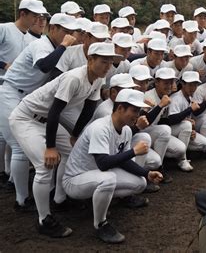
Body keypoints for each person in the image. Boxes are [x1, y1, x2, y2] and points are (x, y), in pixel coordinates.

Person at [8, 42, 119, 238]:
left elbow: (88, 109)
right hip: (26, 118)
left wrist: (75, 135)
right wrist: (50, 147)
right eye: (103, 61)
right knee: (45, 165)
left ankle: (59, 198)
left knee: (71, 151)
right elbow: (54, 112)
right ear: (90, 59)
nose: (107, 66)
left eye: (110, 62)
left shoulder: (97, 79)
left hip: (45, 120)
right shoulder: (74, 77)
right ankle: (44, 220)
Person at [63, 89, 162, 243]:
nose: (138, 115)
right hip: (75, 180)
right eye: (134, 110)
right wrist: (134, 152)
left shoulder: (127, 130)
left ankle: (97, 200)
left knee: (141, 183)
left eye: (139, 111)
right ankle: (101, 224)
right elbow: (103, 164)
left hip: (95, 175)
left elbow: (122, 160)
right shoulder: (100, 127)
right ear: (120, 108)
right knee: (108, 179)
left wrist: (146, 173)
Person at [0, 13, 77, 211]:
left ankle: (47, 193)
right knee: (18, 148)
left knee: (39, 149)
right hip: (10, 92)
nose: (68, 35)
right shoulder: (42, 45)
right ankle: (21, 199)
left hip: (27, 97)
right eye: (64, 30)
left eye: (71, 31)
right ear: (53, 29)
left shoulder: (56, 48)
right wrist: (64, 45)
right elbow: (44, 67)